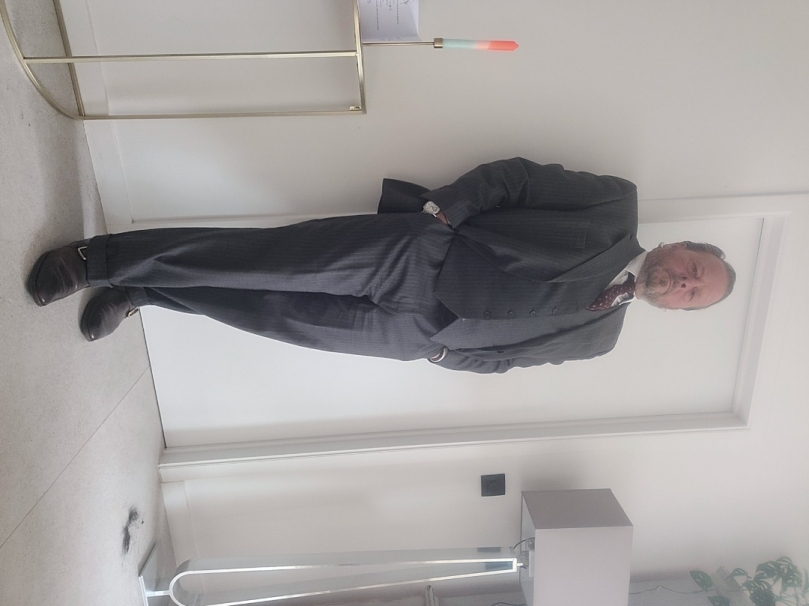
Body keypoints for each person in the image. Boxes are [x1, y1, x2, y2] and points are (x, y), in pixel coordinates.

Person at [27, 158, 735, 373]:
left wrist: (446, 356)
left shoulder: (601, 339)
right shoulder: (614, 207)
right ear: (682, 246)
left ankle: (145, 291)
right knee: (260, 262)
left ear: (680, 310)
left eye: (692, 295)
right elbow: (517, 179)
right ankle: (97, 259)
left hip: (415, 335)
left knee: (268, 315)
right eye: (694, 269)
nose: (683, 283)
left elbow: (514, 360)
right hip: (418, 257)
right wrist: (441, 215)